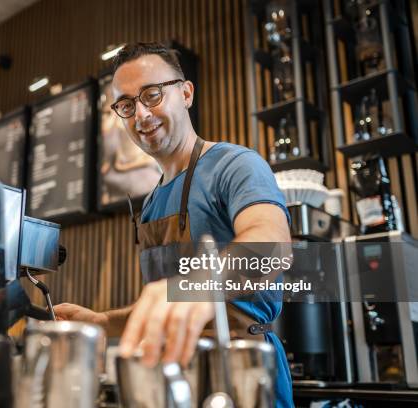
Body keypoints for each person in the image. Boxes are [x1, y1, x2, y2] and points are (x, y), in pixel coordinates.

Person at [53, 42, 294, 407]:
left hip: (243, 379)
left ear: (185, 93)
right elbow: (168, 302)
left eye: (152, 95)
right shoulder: (151, 202)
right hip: (174, 380)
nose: (141, 116)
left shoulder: (236, 165)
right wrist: (102, 321)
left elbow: (272, 244)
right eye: (127, 105)